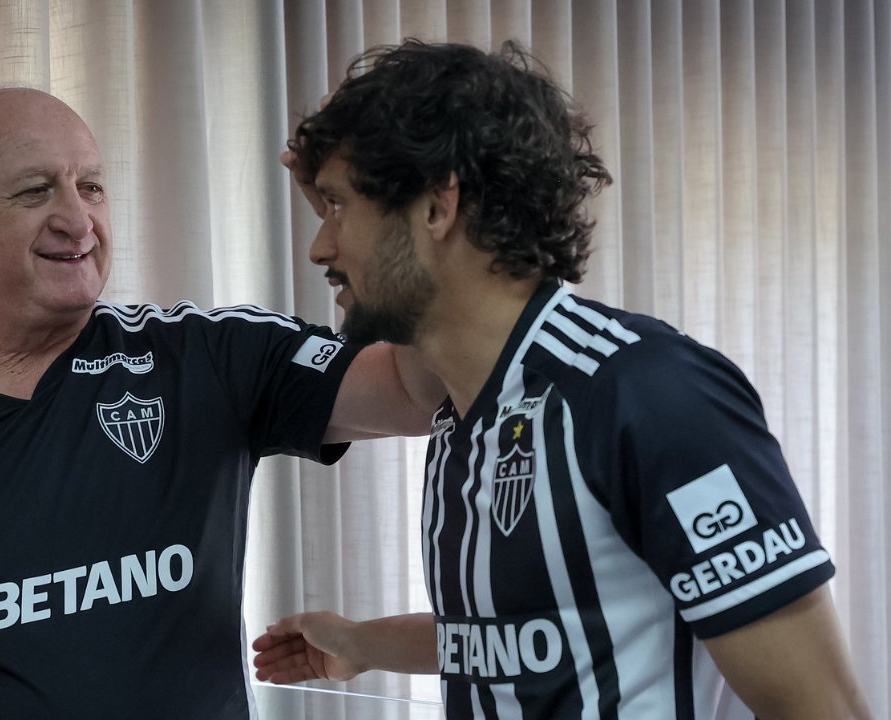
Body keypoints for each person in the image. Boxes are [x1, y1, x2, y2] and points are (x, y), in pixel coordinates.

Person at [0, 87, 443, 719]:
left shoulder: (209, 358)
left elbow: (422, 390)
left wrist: (387, 222)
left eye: (91, 186)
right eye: (35, 192)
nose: (78, 219)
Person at [252, 40, 872, 720]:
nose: (320, 246)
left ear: (436, 207)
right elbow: (529, 633)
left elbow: (822, 707)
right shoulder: (464, 415)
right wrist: (357, 642)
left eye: (338, 207)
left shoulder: (645, 394)